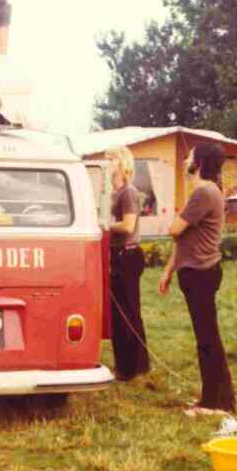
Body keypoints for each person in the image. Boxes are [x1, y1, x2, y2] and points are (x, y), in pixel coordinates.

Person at [158, 142, 236, 416]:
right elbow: (183, 238)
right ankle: (213, 398)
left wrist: (176, 218)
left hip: (201, 274)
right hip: (196, 271)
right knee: (206, 338)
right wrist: (168, 270)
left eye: (189, 156)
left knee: (208, 339)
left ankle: (218, 403)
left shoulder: (203, 193)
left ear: (199, 162)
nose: (185, 160)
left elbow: (174, 229)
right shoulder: (206, 191)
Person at [105, 146, 150, 382]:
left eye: (109, 159)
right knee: (121, 312)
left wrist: (103, 225)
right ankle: (135, 363)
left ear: (120, 163)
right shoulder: (111, 193)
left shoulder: (128, 192)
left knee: (128, 312)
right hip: (116, 254)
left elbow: (128, 225)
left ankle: (130, 367)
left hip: (128, 254)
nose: (106, 163)